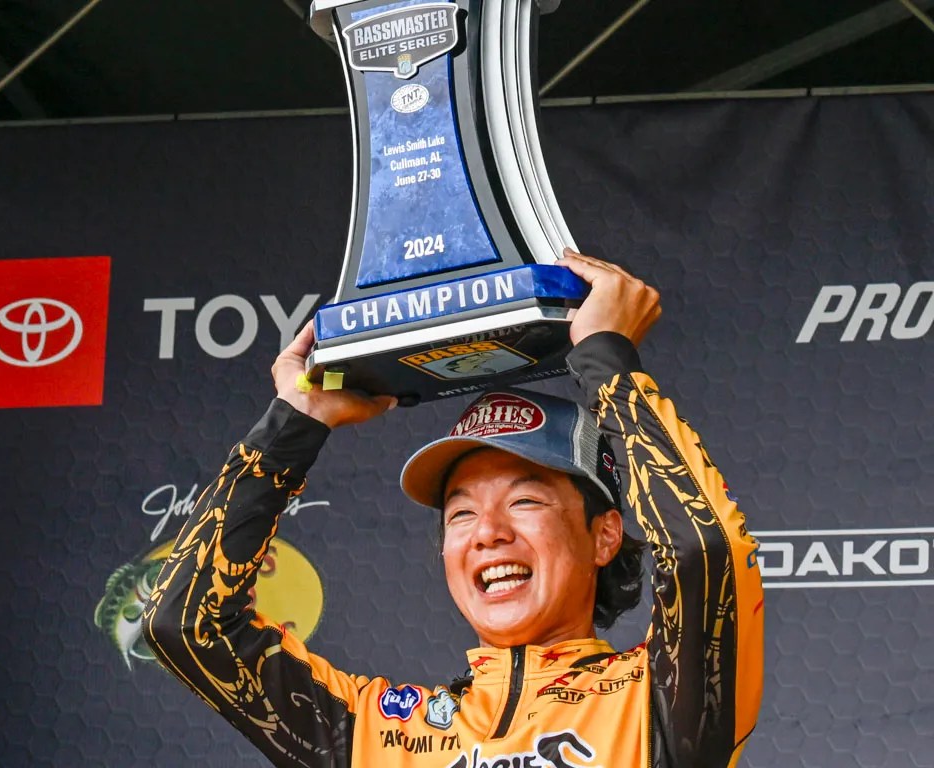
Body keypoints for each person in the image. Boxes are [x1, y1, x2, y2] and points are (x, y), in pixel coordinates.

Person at [143, 250, 764, 768]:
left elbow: (703, 547)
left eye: (524, 500)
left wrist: (608, 360)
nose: (487, 533)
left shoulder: (659, 698)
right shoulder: (378, 736)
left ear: (604, 535)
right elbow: (184, 624)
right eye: (461, 514)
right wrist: (295, 425)